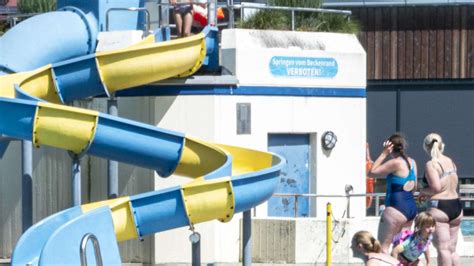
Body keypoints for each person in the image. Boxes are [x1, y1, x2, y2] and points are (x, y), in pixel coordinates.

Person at [369, 133, 418, 254]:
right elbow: (414, 186)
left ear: (389, 147)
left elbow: (372, 172)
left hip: (396, 208)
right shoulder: (412, 162)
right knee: (401, 251)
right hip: (410, 208)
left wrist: (383, 154)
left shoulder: (396, 163)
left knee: (382, 249)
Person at [420, 133, 463, 266]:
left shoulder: (431, 164)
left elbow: (436, 187)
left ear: (426, 147)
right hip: (456, 205)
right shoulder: (450, 161)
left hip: (440, 207)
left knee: (443, 249)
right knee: (452, 250)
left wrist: (422, 191)